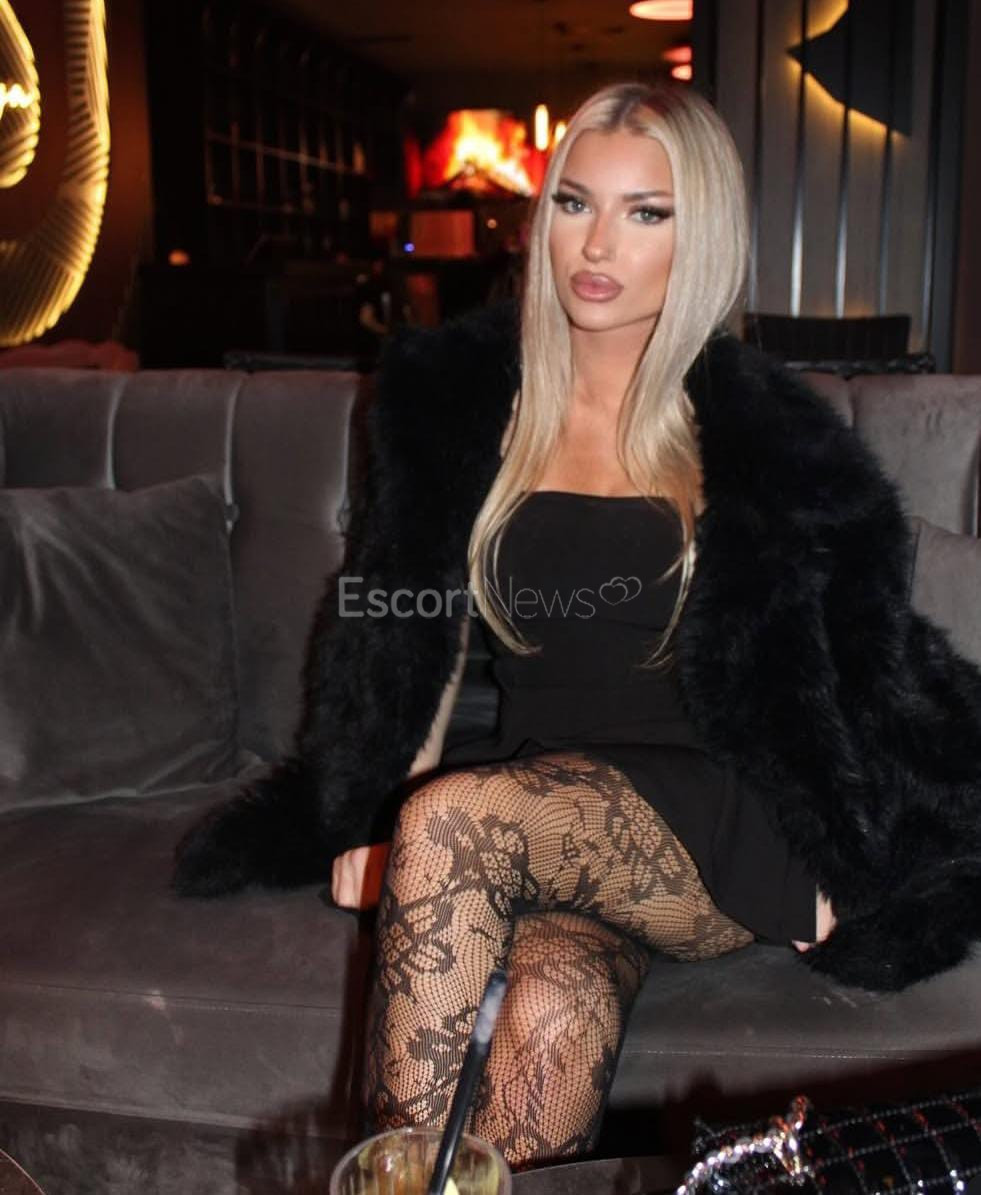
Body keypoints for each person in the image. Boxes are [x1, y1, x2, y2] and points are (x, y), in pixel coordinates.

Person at [172, 80, 981, 1173]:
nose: (597, 245)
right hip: (544, 795)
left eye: (646, 213)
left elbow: (853, 654)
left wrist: (848, 848)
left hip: (716, 814)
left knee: (458, 821)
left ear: (699, 237)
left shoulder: (758, 433)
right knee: (551, 1007)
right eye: (574, 202)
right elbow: (410, 640)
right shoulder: (462, 401)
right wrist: (376, 816)